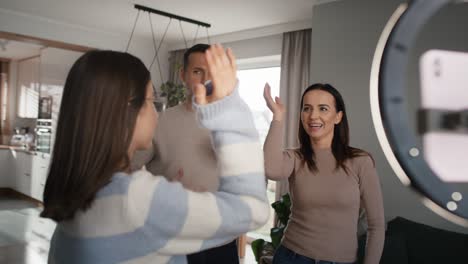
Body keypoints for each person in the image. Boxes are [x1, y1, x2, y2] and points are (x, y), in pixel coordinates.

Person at [40, 45, 269, 264]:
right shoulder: (138, 200)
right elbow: (253, 209)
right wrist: (229, 107)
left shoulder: (76, 193)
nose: (156, 113)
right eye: (151, 100)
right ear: (127, 111)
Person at [131, 43, 240, 263]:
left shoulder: (234, 123)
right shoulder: (157, 122)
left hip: (222, 238)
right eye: (197, 71)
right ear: (183, 75)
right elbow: (126, 171)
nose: (205, 79)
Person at [263, 83, 385, 264]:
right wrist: (278, 117)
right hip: (290, 256)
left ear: (338, 117)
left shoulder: (361, 161)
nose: (313, 116)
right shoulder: (295, 158)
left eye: (323, 109)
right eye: (307, 108)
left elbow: (376, 225)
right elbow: (270, 168)